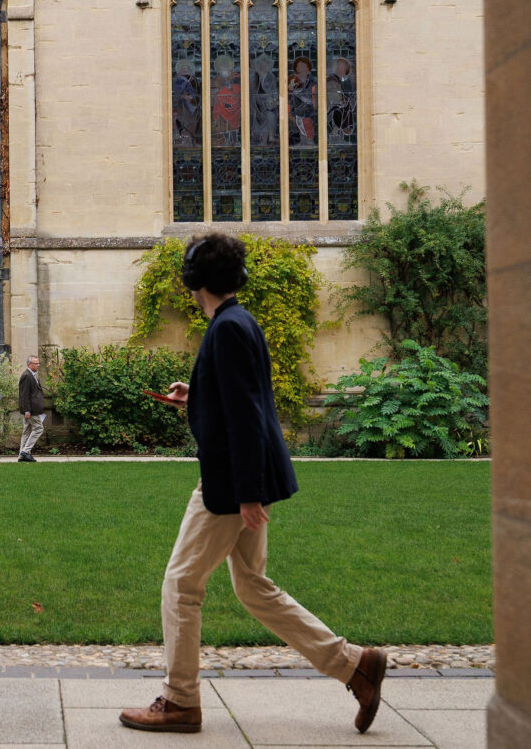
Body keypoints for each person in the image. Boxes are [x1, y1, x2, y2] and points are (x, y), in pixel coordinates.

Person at [119, 234, 386, 736]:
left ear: (194, 280)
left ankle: (179, 701)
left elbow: (245, 415)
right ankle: (355, 665)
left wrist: (247, 493)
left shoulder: (226, 328)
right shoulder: (238, 322)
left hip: (230, 485)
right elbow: (243, 399)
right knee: (253, 587)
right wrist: (197, 392)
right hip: (245, 479)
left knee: (180, 584)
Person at [17, 354, 44, 462]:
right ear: (29, 364)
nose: (38, 365)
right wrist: (27, 410)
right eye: (36, 363)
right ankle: (25, 451)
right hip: (31, 410)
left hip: (31, 409)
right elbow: (24, 395)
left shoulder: (32, 375)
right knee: (39, 428)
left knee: (27, 431)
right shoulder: (27, 376)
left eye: (38, 363)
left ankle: (21, 456)